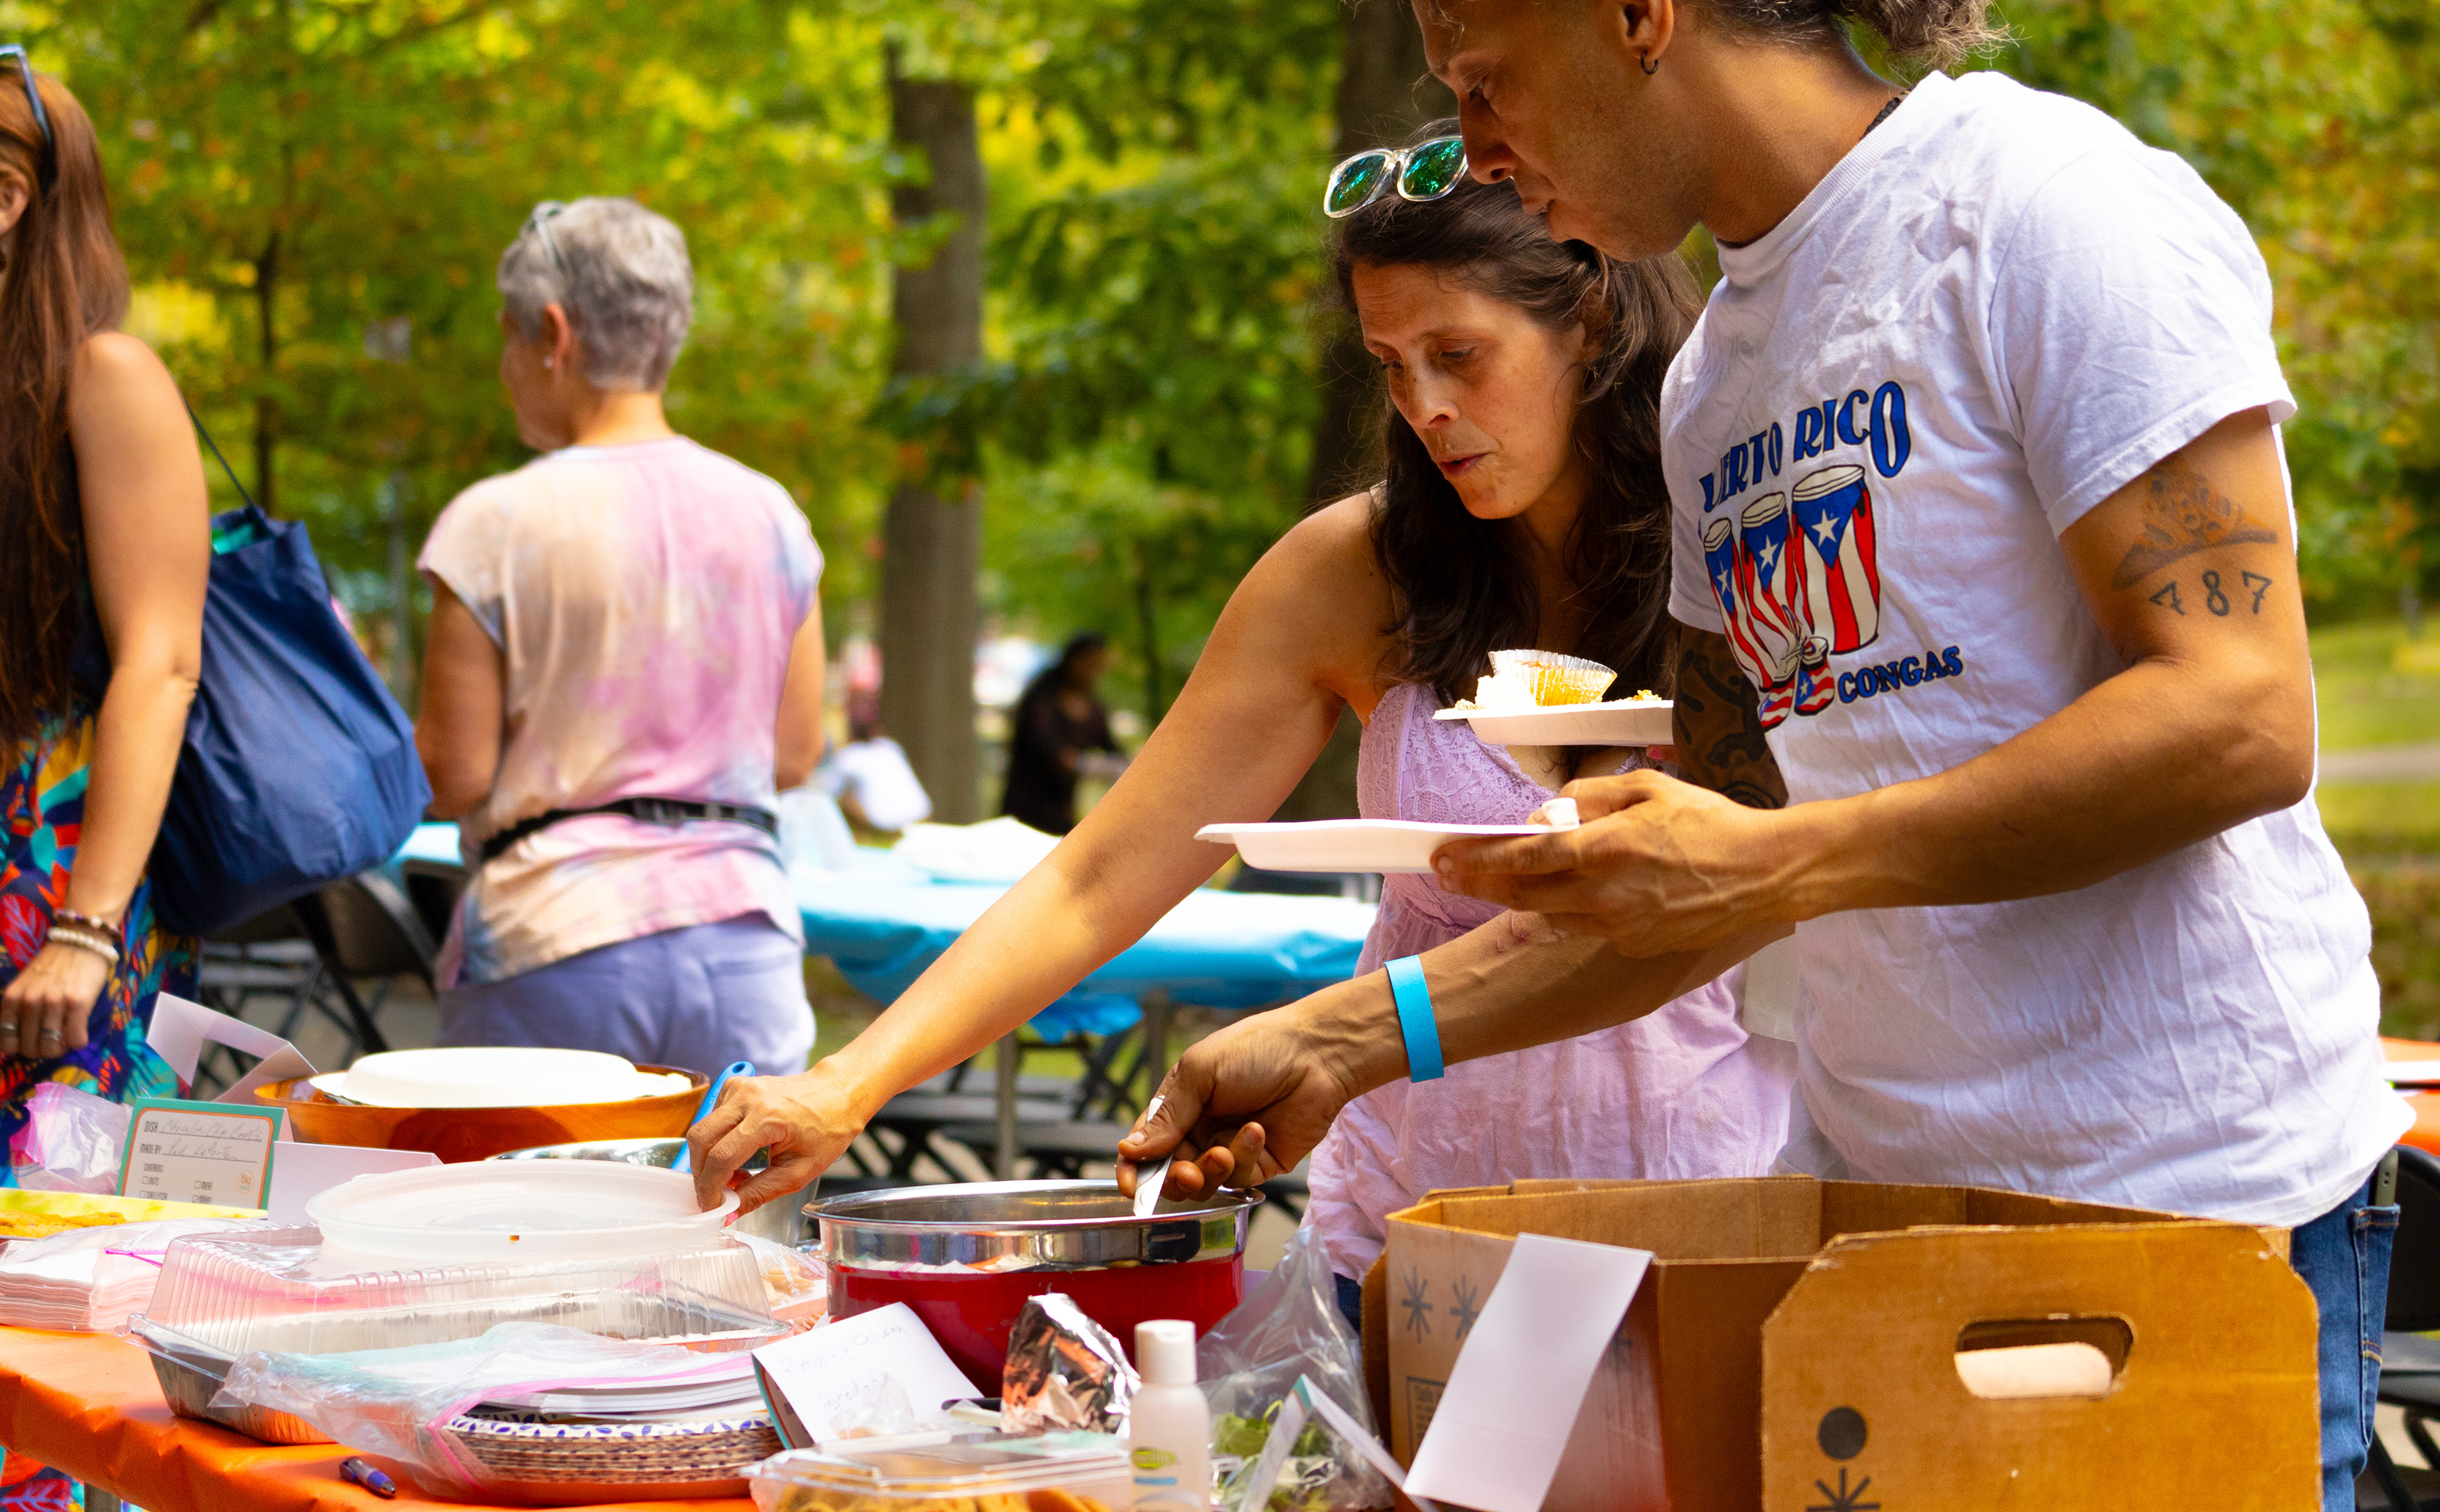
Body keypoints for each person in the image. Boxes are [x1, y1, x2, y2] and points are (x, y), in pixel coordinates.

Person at [1096, 0, 2408, 1512]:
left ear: (1635, 5)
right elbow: (1697, 872)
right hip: (1887, 1220)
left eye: (1485, 81)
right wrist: (1338, 1037)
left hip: (2189, 1211)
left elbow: (2238, 716)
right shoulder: (1717, 385)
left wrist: (1772, 860)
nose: (1472, 146)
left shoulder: (2035, 204)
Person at [688, 144, 1796, 1282]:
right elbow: (1098, 874)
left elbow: (1705, 898)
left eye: (1459, 355)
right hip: (1409, 1230)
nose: (1426, 409)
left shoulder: (1744, 543)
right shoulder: (1358, 572)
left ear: (1594, 319)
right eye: (1390, 364)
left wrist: (1335, 1034)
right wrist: (850, 1082)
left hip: (1695, 1209)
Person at [0, 50, 212, 1512]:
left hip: (57, 935)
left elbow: (160, 659)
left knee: (42, 1285)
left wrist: (91, 930)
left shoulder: (107, 381)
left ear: (2, 200)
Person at [415, 197, 828, 1079]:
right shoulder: (773, 516)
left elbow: (455, 775)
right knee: (736, 1218)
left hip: (556, 946)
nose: (506, 365)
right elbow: (794, 753)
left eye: (509, 337)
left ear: (553, 334)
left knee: (526, 1219)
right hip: (744, 944)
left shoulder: (494, 522)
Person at [998, 632, 1125, 836]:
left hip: (1063, 808)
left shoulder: (1093, 707)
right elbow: (1044, 748)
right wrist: (1077, 762)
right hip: (1027, 802)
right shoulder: (1042, 700)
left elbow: (1111, 747)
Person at [810, 658, 933, 838]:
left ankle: (858, 838)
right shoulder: (890, 747)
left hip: (886, 827)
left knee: (843, 799)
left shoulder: (849, 756)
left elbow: (821, 790)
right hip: (922, 818)